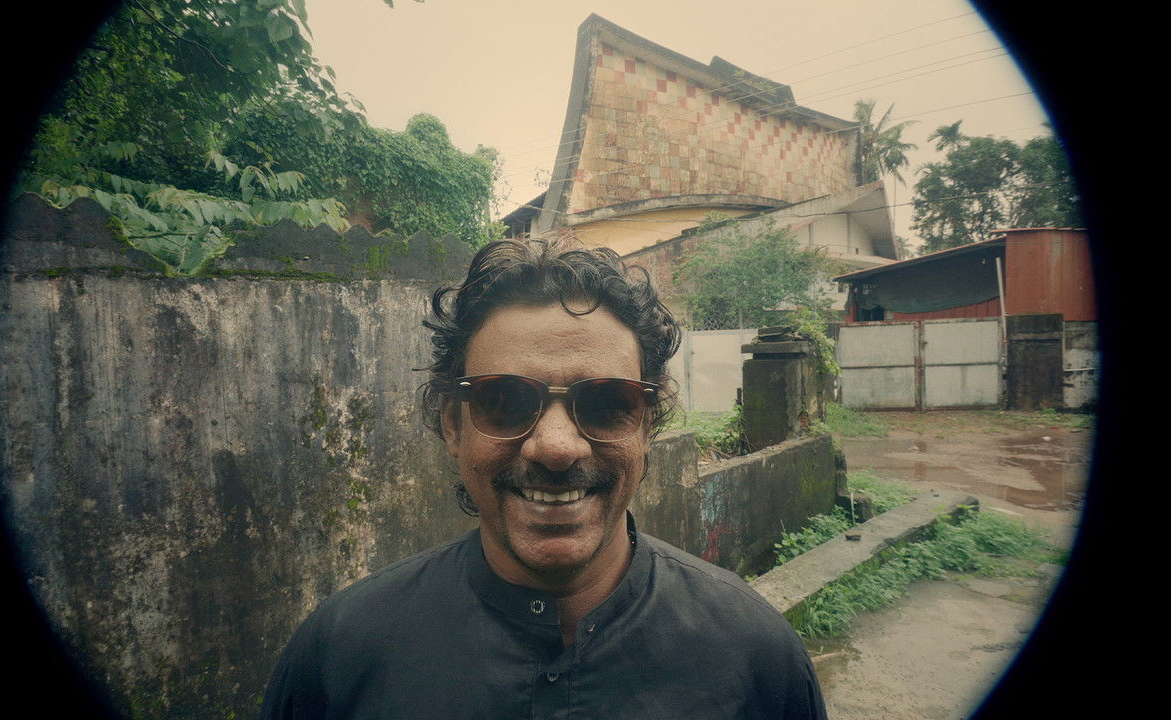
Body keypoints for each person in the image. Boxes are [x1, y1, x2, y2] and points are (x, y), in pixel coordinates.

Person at [260, 237, 826, 719]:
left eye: (607, 403)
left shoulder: (757, 658)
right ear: (453, 425)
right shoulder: (341, 654)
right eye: (504, 401)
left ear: (647, 428)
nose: (556, 447)